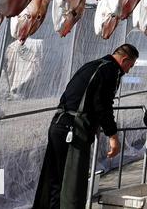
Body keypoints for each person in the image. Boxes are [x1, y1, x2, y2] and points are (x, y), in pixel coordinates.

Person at [34, 44, 139, 209]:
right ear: (124, 60)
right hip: (73, 130)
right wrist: (113, 136)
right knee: (71, 180)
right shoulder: (111, 71)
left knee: (54, 177)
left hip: (58, 123)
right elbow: (103, 105)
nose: (128, 71)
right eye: (130, 66)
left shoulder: (93, 65)